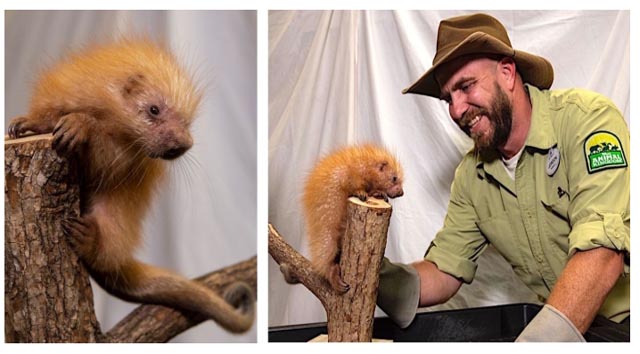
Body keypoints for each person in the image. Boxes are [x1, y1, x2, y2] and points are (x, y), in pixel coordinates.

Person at [377, 13, 629, 342]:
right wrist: (369, 275)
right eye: (448, 98)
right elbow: (445, 270)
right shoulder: (472, 176)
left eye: (466, 86)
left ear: (508, 73)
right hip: (562, 329)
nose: (455, 110)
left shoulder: (588, 122)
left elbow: (602, 254)